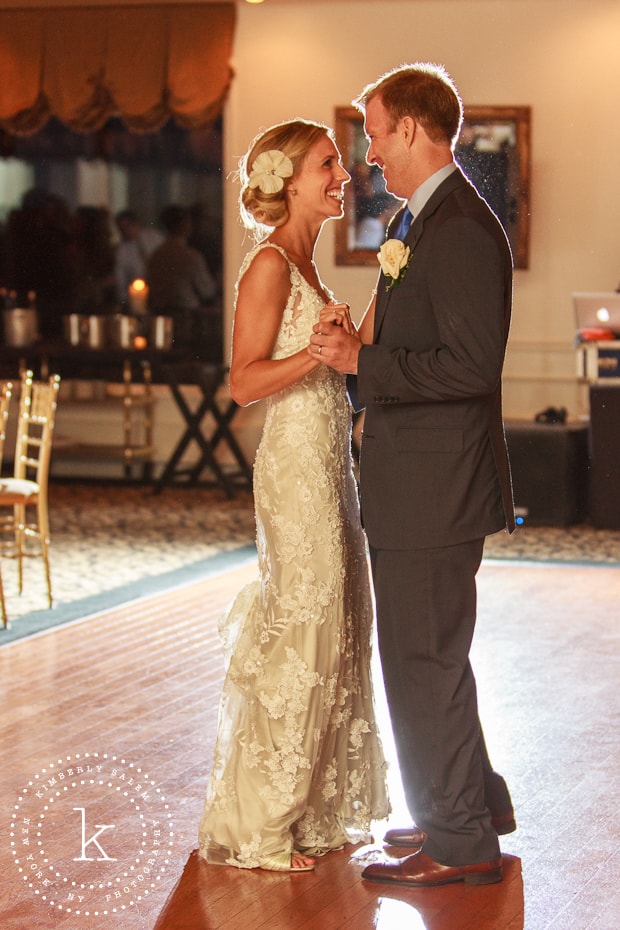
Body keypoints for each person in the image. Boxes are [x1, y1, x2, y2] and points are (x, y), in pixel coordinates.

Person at [309, 63, 516, 888]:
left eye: (374, 130)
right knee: (434, 659)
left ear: (413, 131)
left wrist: (364, 360)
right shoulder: (417, 219)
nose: (367, 151)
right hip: (419, 484)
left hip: (435, 490)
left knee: (421, 664)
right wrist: (358, 349)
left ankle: (461, 846)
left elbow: (470, 366)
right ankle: (469, 809)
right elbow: (423, 345)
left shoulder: (459, 226)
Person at [197, 118, 389, 873]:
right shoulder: (271, 266)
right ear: (288, 181)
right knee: (303, 623)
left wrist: (361, 314)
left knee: (340, 621)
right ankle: (262, 821)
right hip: (292, 469)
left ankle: (314, 808)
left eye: (339, 163)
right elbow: (244, 383)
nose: (343, 174)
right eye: (328, 164)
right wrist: (314, 357)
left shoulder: (311, 271)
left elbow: (330, 364)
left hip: (331, 464)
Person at [146, 204, 217, 352]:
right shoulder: (190, 256)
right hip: (185, 322)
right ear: (184, 225)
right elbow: (207, 290)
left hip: (158, 319)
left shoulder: (156, 256)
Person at [114, 210, 164, 306]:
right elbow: (121, 278)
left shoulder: (154, 237)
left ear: (135, 223)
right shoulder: (122, 251)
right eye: (121, 228)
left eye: (127, 226)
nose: (125, 231)